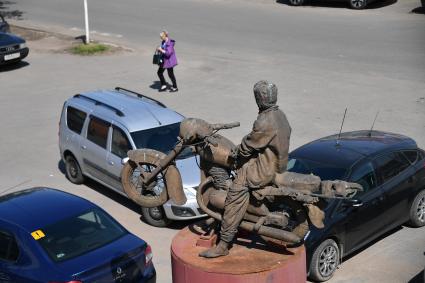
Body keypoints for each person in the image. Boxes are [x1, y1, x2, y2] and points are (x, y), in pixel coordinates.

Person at [199, 80, 292, 258]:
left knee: (234, 195)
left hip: (263, 169)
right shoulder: (280, 115)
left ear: (260, 98)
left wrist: (237, 151)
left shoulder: (265, 120)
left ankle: (223, 244)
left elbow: (248, 145)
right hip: (277, 163)